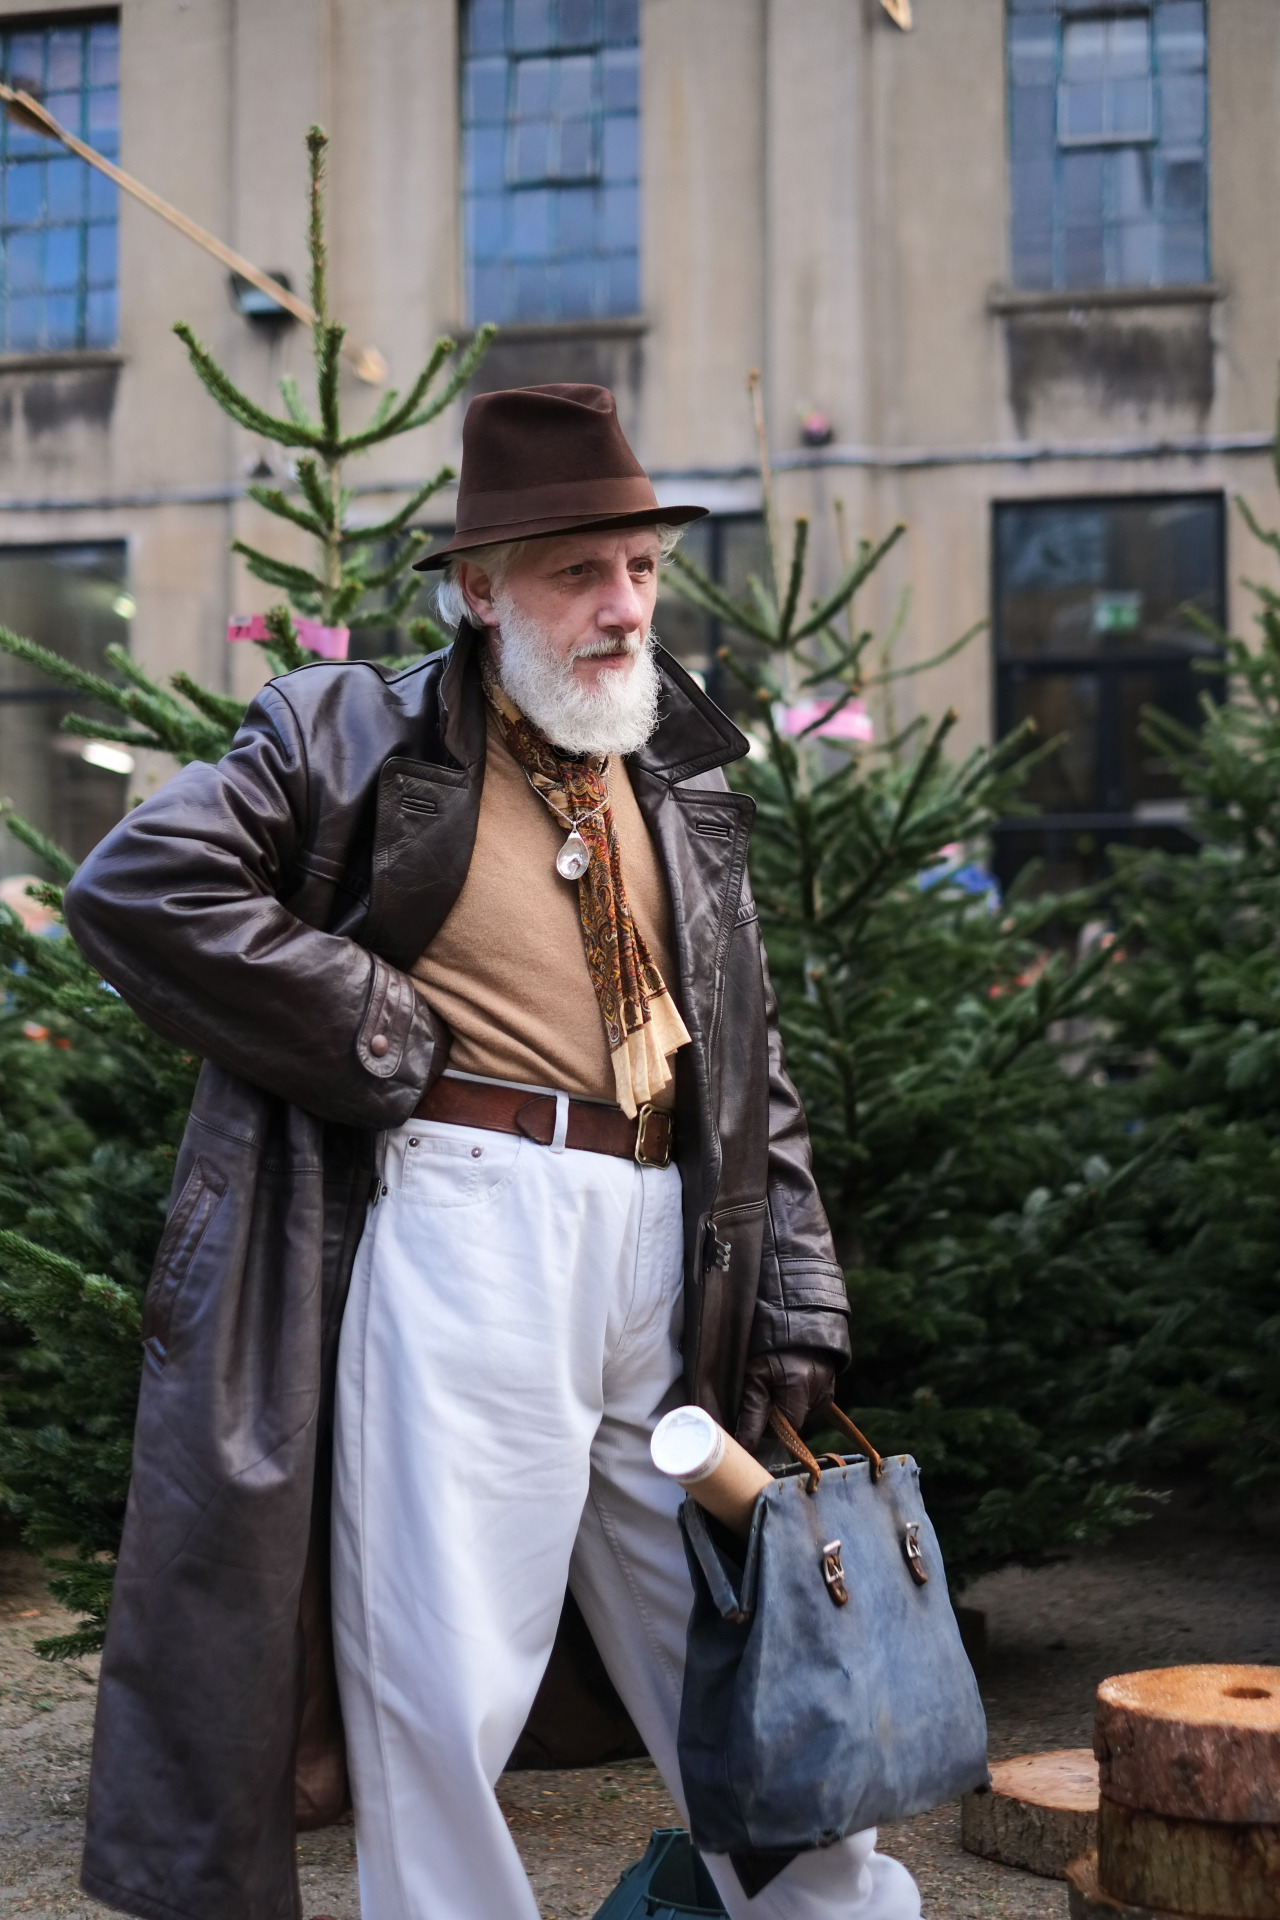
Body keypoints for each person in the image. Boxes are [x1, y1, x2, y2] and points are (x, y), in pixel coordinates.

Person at [64, 384, 921, 1920]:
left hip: (671, 1238)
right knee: (442, 1670)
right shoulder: (350, 730)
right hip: (469, 1224)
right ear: (480, 587)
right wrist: (382, 1032)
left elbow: (749, 1051)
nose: (622, 606)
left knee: (740, 1619)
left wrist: (795, 1284)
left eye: (641, 570)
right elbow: (141, 882)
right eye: (578, 571)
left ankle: (831, 1915)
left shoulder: (676, 768)